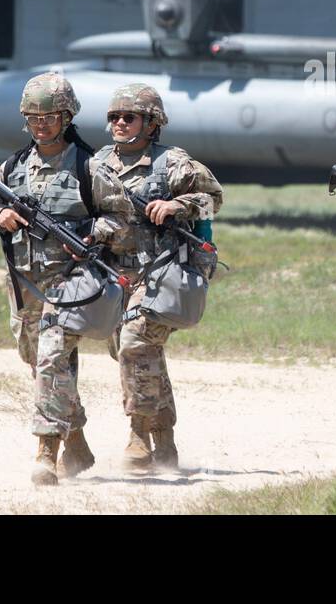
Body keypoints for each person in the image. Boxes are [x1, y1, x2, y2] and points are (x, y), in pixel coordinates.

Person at [0, 72, 136, 485]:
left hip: (72, 282)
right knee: (41, 363)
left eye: (49, 117)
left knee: (50, 356)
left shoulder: (90, 167)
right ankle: (77, 441)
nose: (41, 124)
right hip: (24, 282)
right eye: (33, 118)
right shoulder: (12, 166)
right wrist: (0, 215)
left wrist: (89, 235)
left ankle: (46, 452)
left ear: (67, 117)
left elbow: (120, 217)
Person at [95, 84, 223, 472]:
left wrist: (176, 204)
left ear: (151, 124)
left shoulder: (173, 162)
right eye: (113, 117)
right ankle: (165, 441)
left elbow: (212, 199)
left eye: (128, 117)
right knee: (134, 352)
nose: (119, 123)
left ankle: (138, 435)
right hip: (111, 274)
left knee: (135, 342)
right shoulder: (96, 162)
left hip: (161, 273)